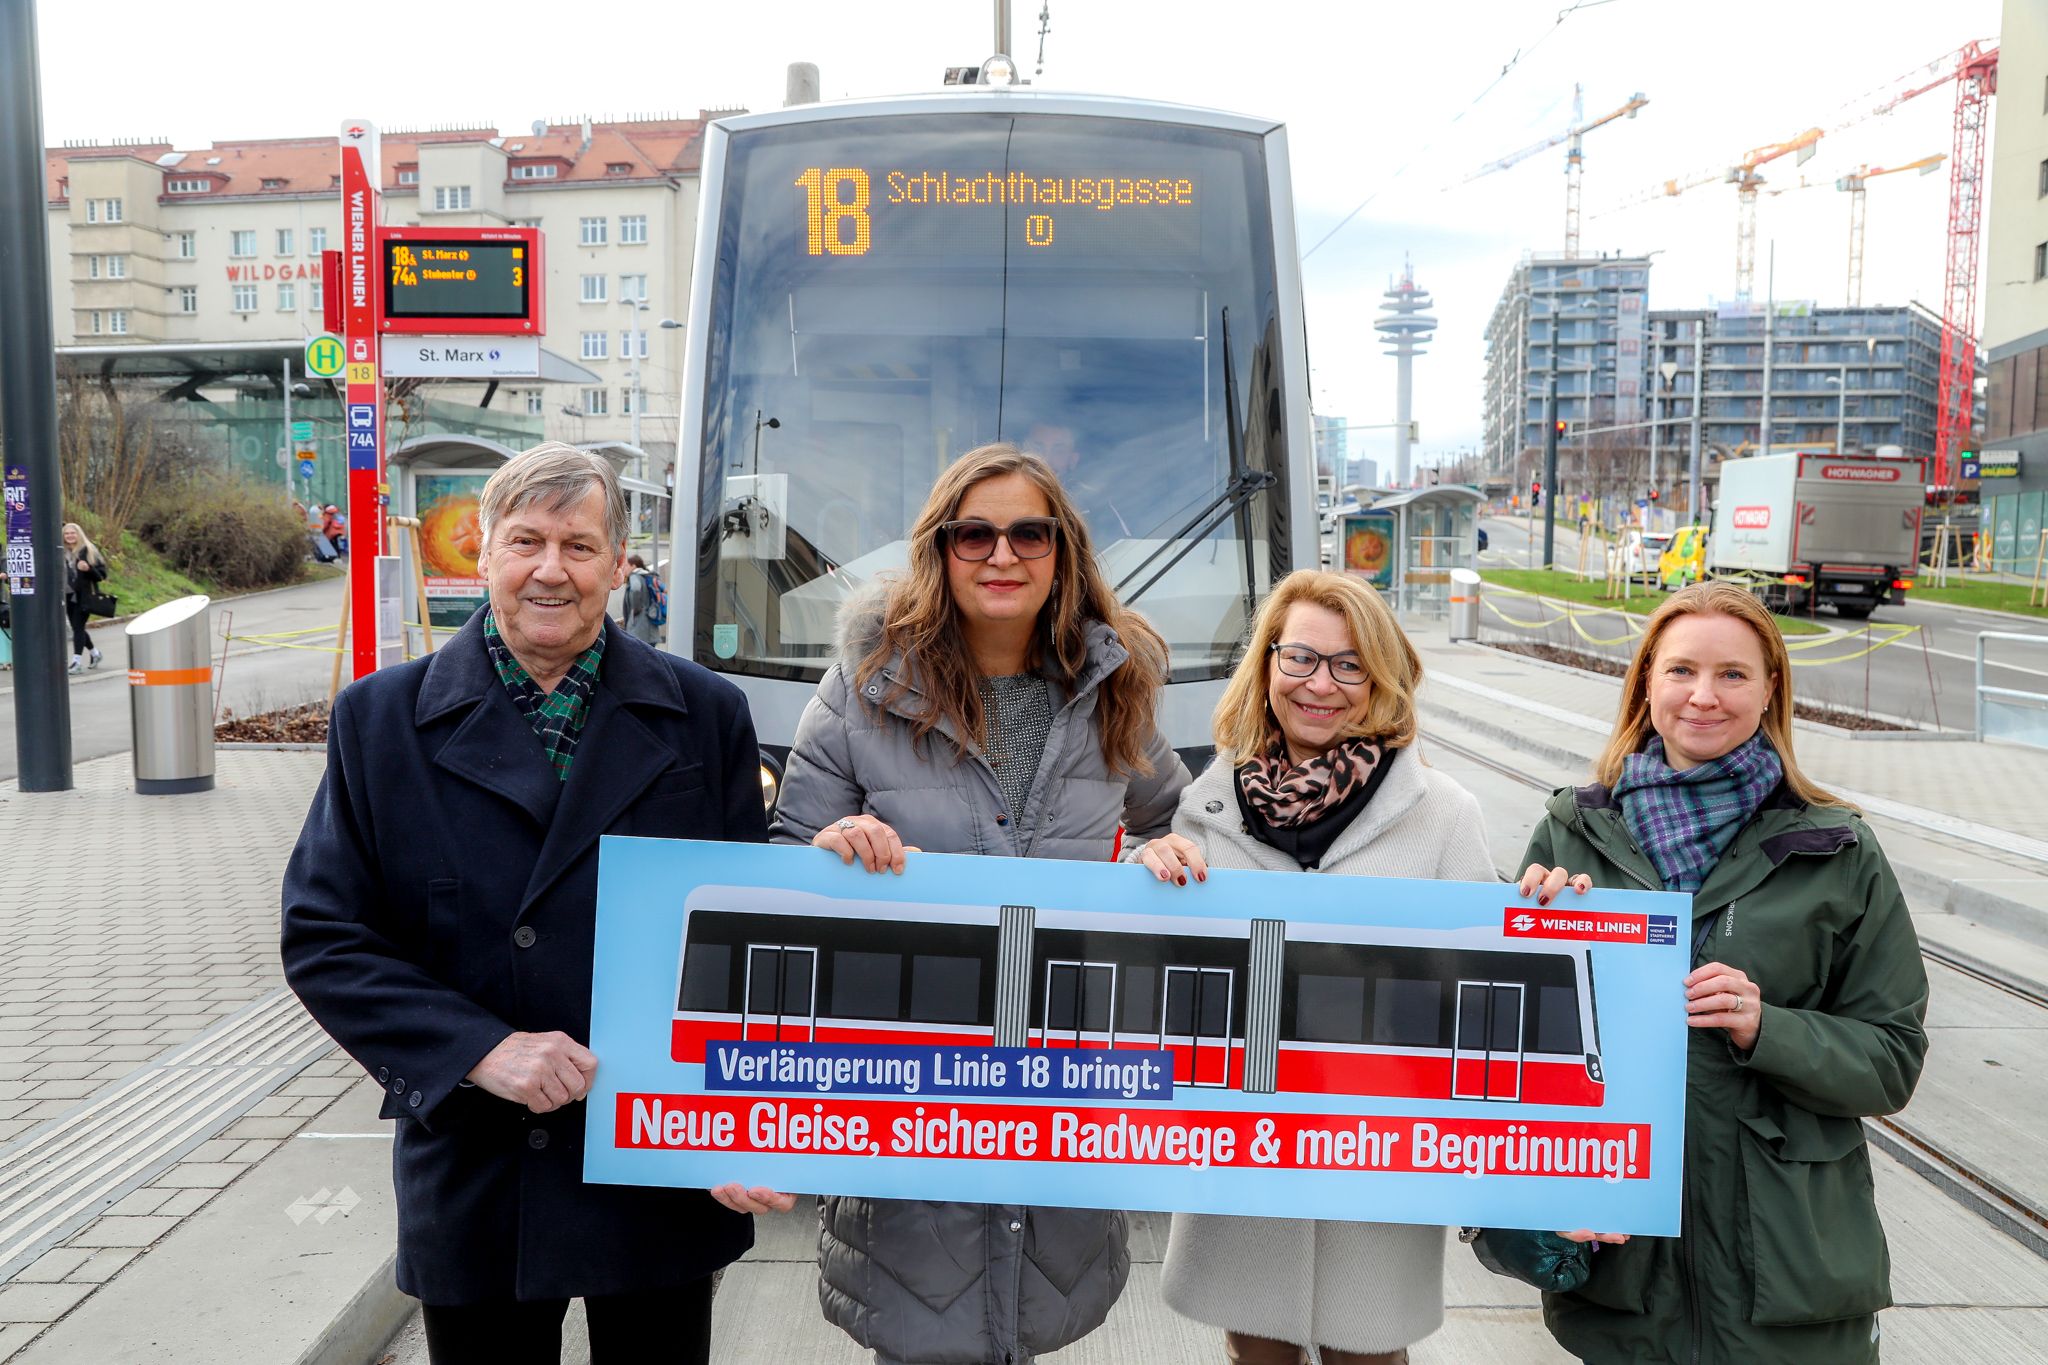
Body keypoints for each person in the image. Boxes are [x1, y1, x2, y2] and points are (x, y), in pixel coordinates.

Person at [281, 442, 770, 1365]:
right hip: (478, 1159)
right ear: (484, 555)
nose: (552, 570)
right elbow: (326, 936)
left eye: (580, 546)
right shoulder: (380, 721)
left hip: (655, 1159)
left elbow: (745, 942)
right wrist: (481, 1051)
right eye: (525, 541)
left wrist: (747, 1117)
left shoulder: (706, 715)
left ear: (620, 565)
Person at [759, 441, 1190, 1365]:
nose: (1003, 555)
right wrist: (830, 853)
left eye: (1029, 532)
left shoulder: (1117, 694)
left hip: (1062, 1105)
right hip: (908, 1113)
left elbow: (1177, 825)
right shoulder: (860, 693)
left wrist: (1166, 852)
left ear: (1062, 551)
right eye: (975, 534)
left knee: (1025, 1333)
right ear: (939, 550)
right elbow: (785, 876)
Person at [1517, 580, 1928, 1365]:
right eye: (1680, 671)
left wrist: (1767, 1028)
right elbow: (1511, 1056)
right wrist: (1526, 933)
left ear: (1771, 686)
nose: (1704, 696)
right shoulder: (1572, 833)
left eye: (1733, 674)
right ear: (1646, 683)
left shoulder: (1837, 850)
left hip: (1791, 1283)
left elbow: (1893, 1057)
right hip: (1629, 1285)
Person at [1129, 569, 1497, 1365]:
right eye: (1299, 658)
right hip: (1244, 1155)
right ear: (1266, 666)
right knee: (1252, 1347)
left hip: (1380, 1159)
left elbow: (1483, 990)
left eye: (1348, 663)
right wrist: (1141, 860)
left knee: (1368, 1350)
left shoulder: (1445, 813)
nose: (1319, 684)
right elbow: (1156, 972)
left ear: (1382, 679)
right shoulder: (1205, 807)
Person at [1023, 421, 1136, 541]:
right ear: (1023, 451)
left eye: (1058, 451)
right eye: (1037, 448)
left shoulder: (1094, 503)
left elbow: (1124, 550)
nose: (1046, 458)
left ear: (1072, 460)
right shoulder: (1002, 493)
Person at [61, 522, 108, 673]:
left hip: (84, 596)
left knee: (78, 627)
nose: (69, 536)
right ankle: (95, 653)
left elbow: (102, 575)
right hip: (68, 595)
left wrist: (89, 569)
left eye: (72, 533)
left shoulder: (88, 550)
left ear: (79, 534)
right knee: (77, 627)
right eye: (66, 533)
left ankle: (76, 662)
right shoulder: (60, 551)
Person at [621, 552, 661, 644]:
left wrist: (636, 608)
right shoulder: (646, 575)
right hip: (650, 624)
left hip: (639, 627)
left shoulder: (635, 575)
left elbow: (635, 589)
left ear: (633, 566)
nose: (625, 568)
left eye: (627, 565)